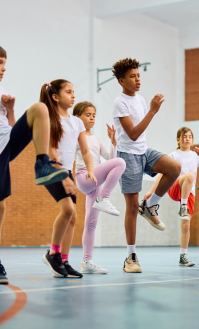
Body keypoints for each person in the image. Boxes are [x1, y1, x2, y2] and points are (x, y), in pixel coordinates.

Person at [0, 43, 68, 284]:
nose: (4, 68)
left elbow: (10, 126)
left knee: (40, 108)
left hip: (7, 140)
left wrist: (10, 110)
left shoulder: (1, 90)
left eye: (5, 63)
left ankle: (42, 164)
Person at [112, 58, 181, 273]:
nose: (137, 79)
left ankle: (150, 205)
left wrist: (149, 108)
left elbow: (139, 138)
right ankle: (131, 258)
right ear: (122, 81)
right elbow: (132, 134)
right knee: (131, 208)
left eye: (138, 75)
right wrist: (152, 111)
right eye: (132, 77)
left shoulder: (141, 99)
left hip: (144, 151)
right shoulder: (119, 102)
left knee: (174, 168)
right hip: (128, 155)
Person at [40, 80, 97, 279]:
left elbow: (85, 150)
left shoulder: (77, 122)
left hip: (67, 171)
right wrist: (62, 175)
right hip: (50, 168)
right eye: (69, 92)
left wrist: (90, 169)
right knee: (68, 209)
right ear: (55, 97)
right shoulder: (49, 117)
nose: (73, 96)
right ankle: (53, 253)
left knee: (72, 217)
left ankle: (63, 260)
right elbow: (50, 149)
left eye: (74, 92)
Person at [73, 101, 126, 274]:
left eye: (94, 115)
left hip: (96, 181)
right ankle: (104, 198)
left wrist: (113, 142)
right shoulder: (75, 136)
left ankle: (87, 262)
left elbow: (110, 159)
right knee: (120, 162)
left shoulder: (97, 139)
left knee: (91, 223)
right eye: (87, 115)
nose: (91, 118)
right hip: (84, 176)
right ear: (77, 117)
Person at [144, 127, 199, 266]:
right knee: (190, 176)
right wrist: (151, 191)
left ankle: (183, 256)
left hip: (189, 192)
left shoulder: (195, 156)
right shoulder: (173, 155)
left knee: (186, 225)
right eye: (184, 136)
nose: (187, 138)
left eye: (190, 136)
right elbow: (162, 174)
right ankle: (183, 207)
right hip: (175, 188)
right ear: (178, 139)